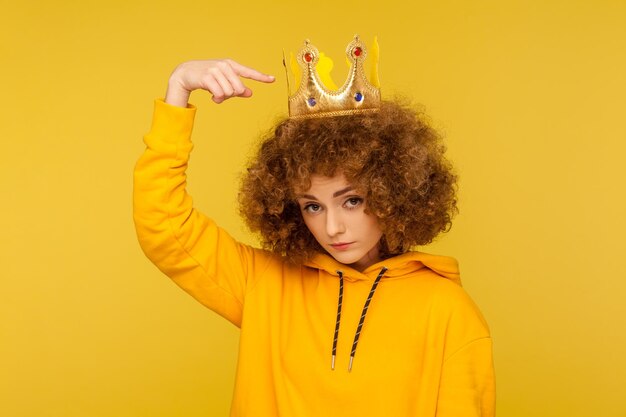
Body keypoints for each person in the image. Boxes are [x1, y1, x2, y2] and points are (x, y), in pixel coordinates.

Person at [133, 38, 495, 417]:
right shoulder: (264, 284)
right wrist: (179, 88)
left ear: (394, 191)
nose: (333, 227)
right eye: (312, 206)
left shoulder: (449, 311)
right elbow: (163, 223)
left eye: (352, 200)